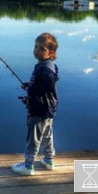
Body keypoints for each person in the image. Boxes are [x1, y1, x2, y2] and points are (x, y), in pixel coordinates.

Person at [11, 33, 59, 176]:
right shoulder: (48, 65)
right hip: (48, 109)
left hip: (39, 109)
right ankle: (49, 160)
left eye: (41, 48)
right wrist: (29, 85)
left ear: (50, 52)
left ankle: (28, 165)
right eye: (35, 47)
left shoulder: (45, 69)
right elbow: (43, 85)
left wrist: (31, 89)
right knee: (46, 134)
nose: (36, 50)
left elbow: (47, 86)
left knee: (33, 137)